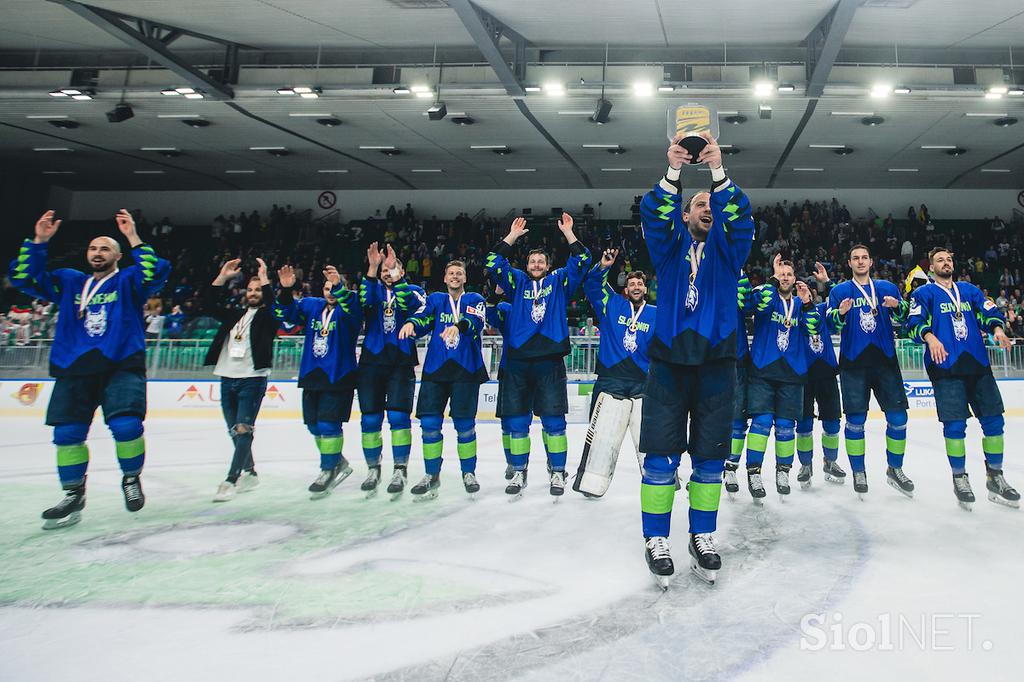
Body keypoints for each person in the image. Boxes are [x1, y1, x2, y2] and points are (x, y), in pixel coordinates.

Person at [637, 132, 754, 587]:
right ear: (684, 215)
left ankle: (702, 535)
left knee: (709, 459)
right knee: (661, 459)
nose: (707, 208)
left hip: (717, 363)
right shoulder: (667, 252)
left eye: (712, 204)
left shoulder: (729, 252)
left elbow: (740, 217)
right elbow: (652, 214)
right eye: (698, 203)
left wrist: (716, 170)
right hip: (668, 364)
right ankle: (655, 538)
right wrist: (674, 171)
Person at [8, 209, 170, 529]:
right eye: (93, 248)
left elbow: (153, 272)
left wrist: (133, 236)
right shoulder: (71, 281)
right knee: (67, 434)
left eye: (105, 248)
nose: (98, 253)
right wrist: (40, 242)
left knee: (126, 426)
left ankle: (130, 478)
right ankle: (73, 494)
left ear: (118, 256)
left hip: (121, 363)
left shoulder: (128, 280)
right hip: (75, 366)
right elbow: (25, 278)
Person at [484, 212, 591, 497]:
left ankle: (557, 472)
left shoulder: (559, 283)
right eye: (532, 261)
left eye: (541, 261)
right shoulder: (516, 282)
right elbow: (492, 262)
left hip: (550, 361)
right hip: (519, 362)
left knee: (554, 422)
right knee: (518, 421)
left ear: (548, 265)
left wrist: (569, 233)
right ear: (526, 264)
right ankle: (519, 471)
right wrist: (512, 237)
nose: (536, 264)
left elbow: (582, 261)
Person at [906, 247, 1019, 509]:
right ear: (931, 268)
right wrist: (930, 337)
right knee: (955, 426)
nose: (946, 263)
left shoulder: (969, 291)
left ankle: (996, 476)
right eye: (939, 260)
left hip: (978, 364)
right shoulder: (924, 293)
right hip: (946, 366)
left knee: (993, 422)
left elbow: (988, 313)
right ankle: (960, 478)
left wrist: (999, 330)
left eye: (948, 259)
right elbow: (913, 325)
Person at [826, 245, 913, 499]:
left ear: (871, 261)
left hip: (885, 361)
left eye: (864, 257)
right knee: (855, 422)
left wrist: (898, 306)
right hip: (853, 363)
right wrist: (840, 313)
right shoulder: (840, 291)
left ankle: (895, 469)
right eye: (856, 258)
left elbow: (906, 317)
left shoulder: (887, 288)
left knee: (898, 418)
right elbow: (830, 323)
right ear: (849, 263)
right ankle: (858, 471)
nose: (861, 261)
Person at [398, 260, 488, 499]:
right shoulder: (436, 299)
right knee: (429, 425)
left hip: (465, 371)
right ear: (445, 278)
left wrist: (458, 326)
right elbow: (423, 316)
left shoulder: (475, 299)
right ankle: (431, 475)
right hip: (436, 370)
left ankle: (468, 473)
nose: (455, 277)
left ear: (465, 278)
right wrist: (411, 323)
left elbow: (475, 323)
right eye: (451, 273)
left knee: (465, 426)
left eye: (459, 273)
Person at [274, 264, 362, 498]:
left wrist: (340, 286)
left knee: (328, 425)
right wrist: (286, 290)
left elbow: (353, 309)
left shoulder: (350, 308)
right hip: (312, 374)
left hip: (339, 375)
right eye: (326, 287)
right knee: (313, 426)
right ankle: (337, 460)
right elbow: (287, 314)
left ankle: (328, 470)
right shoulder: (312, 306)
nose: (329, 290)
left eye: (334, 286)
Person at [573, 248, 656, 496]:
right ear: (625, 289)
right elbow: (592, 286)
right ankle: (591, 483)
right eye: (632, 283)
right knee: (602, 435)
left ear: (645, 288)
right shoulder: (613, 304)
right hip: (611, 379)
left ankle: (660, 477)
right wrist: (604, 266)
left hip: (644, 381)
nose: (636, 286)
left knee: (649, 433)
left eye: (640, 283)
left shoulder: (656, 313)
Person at [204, 257, 281, 502]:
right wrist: (222, 277)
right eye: (250, 289)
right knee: (235, 432)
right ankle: (251, 471)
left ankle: (231, 480)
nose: (254, 293)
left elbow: (273, 306)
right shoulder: (234, 315)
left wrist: (266, 278)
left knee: (243, 428)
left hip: (252, 378)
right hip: (227, 377)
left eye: (258, 290)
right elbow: (207, 304)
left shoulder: (267, 318)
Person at [744, 254, 819, 499]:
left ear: (795, 278)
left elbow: (813, 330)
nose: (785, 277)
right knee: (762, 422)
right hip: (763, 369)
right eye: (781, 273)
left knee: (786, 427)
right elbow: (757, 304)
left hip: (792, 372)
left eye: (789, 274)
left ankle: (783, 471)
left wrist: (808, 304)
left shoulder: (800, 304)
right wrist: (773, 279)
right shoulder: (767, 294)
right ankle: (754, 472)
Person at [357, 243, 426, 497]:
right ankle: (373, 468)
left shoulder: (415, 291)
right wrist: (373, 267)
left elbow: (412, 307)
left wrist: (397, 278)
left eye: (392, 268)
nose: (387, 272)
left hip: (401, 362)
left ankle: (400, 468)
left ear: (400, 270)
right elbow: (364, 302)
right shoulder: (371, 288)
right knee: (370, 419)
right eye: (384, 270)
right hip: (371, 363)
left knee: (399, 418)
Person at [797, 262, 846, 487]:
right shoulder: (794, 313)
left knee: (832, 420)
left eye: (810, 291)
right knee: (804, 423)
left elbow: (842, 301)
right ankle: (805, 464)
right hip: (803, 374)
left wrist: (827, 282)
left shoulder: (824, 310)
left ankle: (831, 461)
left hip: (826, 372)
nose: (807, 294)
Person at [725, 271, 754, 495]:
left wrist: (740, 271)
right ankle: (705, 468)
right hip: (708, 361)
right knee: (705, 418)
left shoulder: (737, 284)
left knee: (737, 418)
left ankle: (731, 466)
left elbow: (748, 305)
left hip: (737, 360)